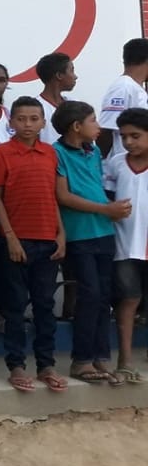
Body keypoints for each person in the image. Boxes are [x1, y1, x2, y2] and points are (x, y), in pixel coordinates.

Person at [0, 97, 68, 393]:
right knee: (15, 305)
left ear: (43, 122)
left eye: (34, 119)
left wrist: (61, 234)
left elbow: (53, 196)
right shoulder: (2, 153)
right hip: (16, 242)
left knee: (45, 305)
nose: (28, 125)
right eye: (21, 119)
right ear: (11, 122)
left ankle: (46, 364)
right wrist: (10, 237)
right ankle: (17, 365)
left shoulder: (50, 153)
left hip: (48, 241)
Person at [53, 101, 129, 384]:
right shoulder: (56, 153)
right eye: (93, 120)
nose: (99, 126)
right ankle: (81, 360)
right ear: (76, 126)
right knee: (89, 294)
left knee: (104, 296)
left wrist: (111, 210)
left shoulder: (94, 151)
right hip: (79, 234)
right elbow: (63, 196)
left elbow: (95, 186)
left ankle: (101, 357)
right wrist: (105, 209)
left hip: (104, 232)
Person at [102, 108, 148, 383]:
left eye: (136, 136)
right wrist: (111, 209)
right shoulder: (116, 163)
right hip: (125, 245)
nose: (129, 142)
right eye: (124, 136)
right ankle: (125, 361)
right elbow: (106, 199)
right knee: (129, 299)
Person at [97, 38, 148, 165]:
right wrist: (102, 165)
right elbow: (106, 130)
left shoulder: (136, 88)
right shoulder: (123, 87)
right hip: (121, 166)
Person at [36, 52, 76, 144]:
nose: (75, 76)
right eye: (72, 71)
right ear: (59, 75)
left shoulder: (75, 104)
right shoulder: (35, 108)